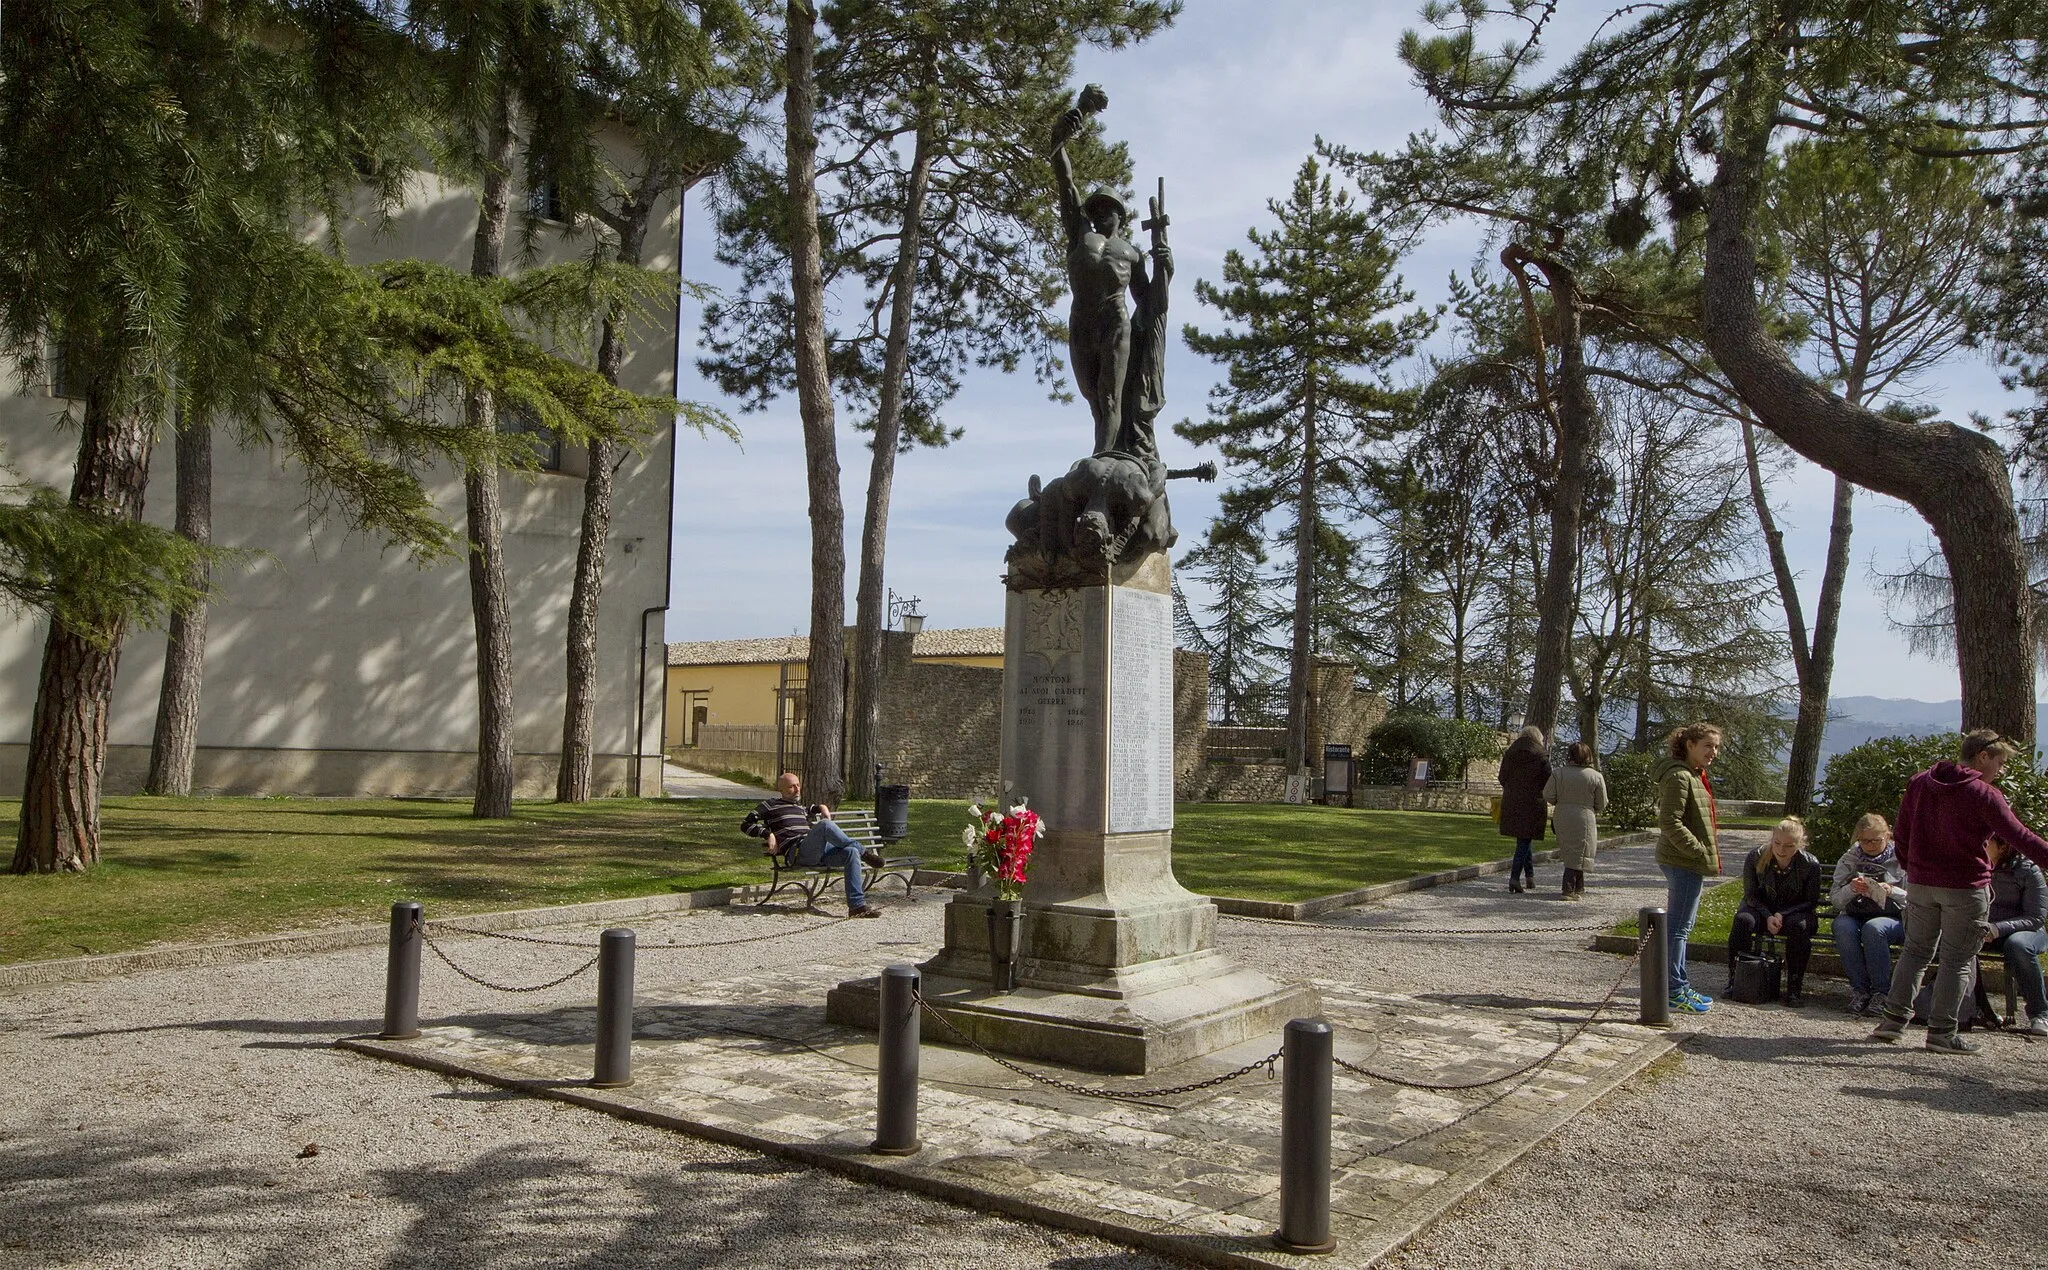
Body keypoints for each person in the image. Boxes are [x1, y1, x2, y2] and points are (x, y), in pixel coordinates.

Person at [1870, 730, 2048, 1053]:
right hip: (1965, 889)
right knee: (1957, 959)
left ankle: (1893, 1022)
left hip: (1922, 886)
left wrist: (1915, 868)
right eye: (2000, 762)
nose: (2001, 771)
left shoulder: (1919, 783)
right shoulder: (1984, 794)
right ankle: (1941, 1032)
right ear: (1982, 756)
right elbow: (2019, 836)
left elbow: (1902, 833)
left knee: (1915, 952)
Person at [740, 772, 885, 918]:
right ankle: (865, 853)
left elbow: (810, 808)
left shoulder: (799, 807)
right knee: (825, 825)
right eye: (792, 787)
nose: (797, 789)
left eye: (798, 785)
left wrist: (821, 807)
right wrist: (768, 834)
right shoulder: (770, 805)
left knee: (851, 852)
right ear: (781, 789)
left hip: (818, 852)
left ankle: (856, 906)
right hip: (797, 852)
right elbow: (746, 824)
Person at [1655, 722, 1723, 1014]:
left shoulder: (1695, 775)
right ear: (1690, 745)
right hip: (1682, 861)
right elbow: (1669, 821)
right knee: (1678, 929)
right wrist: (1696, 850)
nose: (1713, 752)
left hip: (1688, 861)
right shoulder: (1680, 777)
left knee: (1681, 926)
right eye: (1708, 745)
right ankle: (1673, 990)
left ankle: (1679, 985)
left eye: (1716, 747)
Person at [1728, 817, 1823, 1006]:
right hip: (1760, 909)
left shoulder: (1810, 864)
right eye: (1777, 843)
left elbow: (1811, 901)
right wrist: (1768, 915)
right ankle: (1735, 979)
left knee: (1799, 927)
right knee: (1743, 920)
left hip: (1795, 912)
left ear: (1800, 844)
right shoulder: (1756, 856)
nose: (1781, 850)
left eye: (1789, 846)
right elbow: (1751, 896)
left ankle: (1794, 988)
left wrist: (1782, 914)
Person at [1830, 812, 1907, 1016]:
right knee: (1842, 926)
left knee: (1873, 929)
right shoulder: (1850, 858)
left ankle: (1882, 993)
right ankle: (1860, 990)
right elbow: (1836, 900)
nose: (1870, 845)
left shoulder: (1902, 858)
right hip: (1857, 912)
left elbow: (1916, 899)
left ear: (1888, 836)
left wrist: (1892, 890)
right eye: (1865, 841)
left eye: (1876, 840)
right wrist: (1851, 889)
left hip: (1893, 916)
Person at [1984, 834, 2048, 1038]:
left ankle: (2040, 1013)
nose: (1982, 845)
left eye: (1987, 842)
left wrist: (1999, 928)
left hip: (2027, 931)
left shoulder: (2028, 870)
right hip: (1987, 930)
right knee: (1958, 940)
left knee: (2017, 945)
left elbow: (2036, 917)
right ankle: (1973, 1007)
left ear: (2002, 847)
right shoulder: (1978, 866)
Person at [1543, 741, 1608, 900]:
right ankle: (1569, 888)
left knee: (1570, 850)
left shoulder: (1558, 773)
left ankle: (1579, 886)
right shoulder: (1595, 776)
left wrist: (1561, 801)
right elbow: (1602, 802)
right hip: (1584, 814)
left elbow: (1548, 795)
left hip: (1562, 813)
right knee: (1581, 850)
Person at [1497, 726, 1551, 894]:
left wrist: (1512, 789)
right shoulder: (1541, 756)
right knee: (1525, 839)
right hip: (1533, 802)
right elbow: (1547, 780)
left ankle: (1530, 876)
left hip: (1512, 801)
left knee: (1525, 838)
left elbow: (1502, 777)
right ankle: (1514, 877)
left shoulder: (1510, 754)